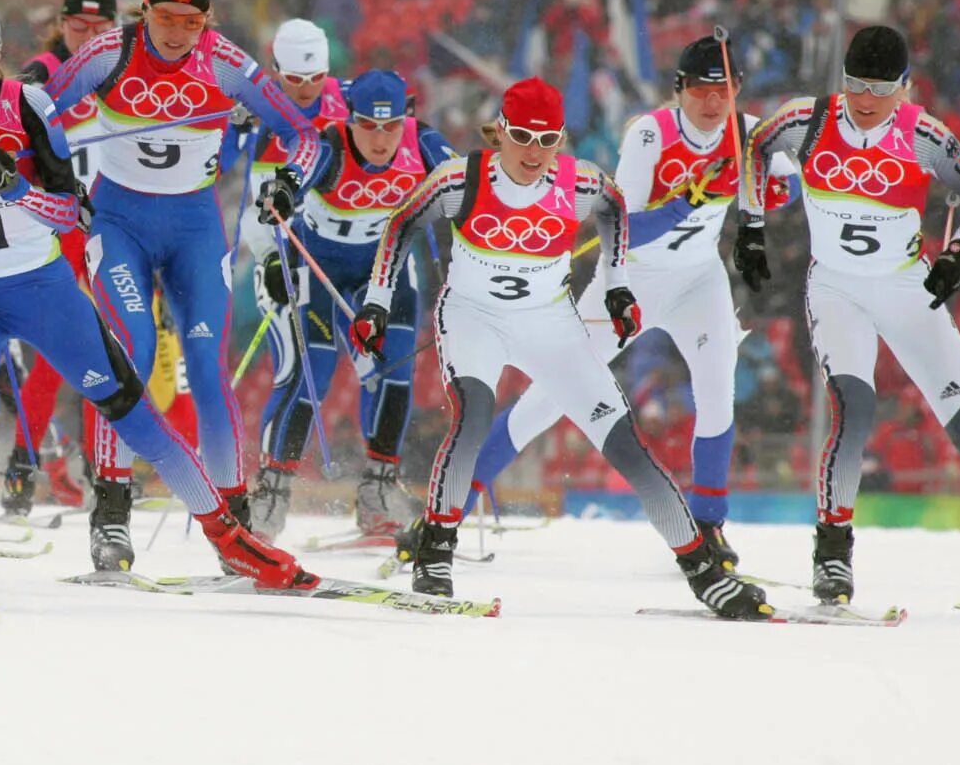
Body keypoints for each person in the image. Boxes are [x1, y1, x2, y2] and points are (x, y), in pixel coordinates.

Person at [0, 0, 315, 602]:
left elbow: (69, 212)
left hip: (44, 289)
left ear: (1, 56)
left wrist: (15, 189)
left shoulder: (30, 107)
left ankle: (230, 538)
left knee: (136, 413)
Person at [351, 77, 768, 618]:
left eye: (547, 139)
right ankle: (435, 548)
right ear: (499, 131)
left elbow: (616, 211)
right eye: (522, 136)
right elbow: (401, 222)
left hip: (549, 323)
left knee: (624, 443)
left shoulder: (581, 183)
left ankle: (704, 571)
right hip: (474, 317)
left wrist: (617, 287)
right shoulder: (461, 178)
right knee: (474, 416)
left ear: (562, 138)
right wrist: (377, 302)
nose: (533, 152)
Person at [736, 24, 960, 603]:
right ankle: (833, 554)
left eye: (881, 88)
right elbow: (754, 147)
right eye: (855, 84)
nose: (866, 100)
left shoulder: (923, 134)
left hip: (908, 289)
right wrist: (750, 227)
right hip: (836, 289)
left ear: (904, 86)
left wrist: (957, 253)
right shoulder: (809, 120)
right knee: (854, 409)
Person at [40, 0, 321, 570]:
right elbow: (33, 114)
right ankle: (111, 512)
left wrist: (288, 185)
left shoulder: (225, 62)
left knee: (208, 373)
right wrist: (57, 181)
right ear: (145, 9)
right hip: (119, 227)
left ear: (208, 20)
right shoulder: (108, 53)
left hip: (195, 230)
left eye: (189, 21)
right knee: (131, 355)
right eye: (165, 16)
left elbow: (304, 135)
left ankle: (233, 520)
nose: (175, 31)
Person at [467, 35, 792, 565]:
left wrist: (770, 189)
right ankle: (450, 507)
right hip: (629, 282)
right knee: (548, 399)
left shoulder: (749, 133)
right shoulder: (650, 134)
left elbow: (790, 185)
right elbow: (626, 228)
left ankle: (708, 527)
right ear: (680, 90)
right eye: (702, 91)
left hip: (697, 281)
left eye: (724, 90)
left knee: (717, 391)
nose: (714, 103)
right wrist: (692, 198)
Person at [241, 34, 454, 542]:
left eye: (390, 127)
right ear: (349, 118)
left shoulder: (423, 143)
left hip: (388, 270)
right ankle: (272, 490)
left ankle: (378, 491)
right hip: (322, 268)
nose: (380, 140)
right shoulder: (329, 143)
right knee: (313, 373)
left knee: (395, 371)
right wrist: (281, 195)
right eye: (368, 126)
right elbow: (294, 175)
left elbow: (467, 189)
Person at [4, 0, 117, 510]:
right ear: (61, 25)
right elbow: (18, 97)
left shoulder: (127, 74)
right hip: (61, 229)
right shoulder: (51, 71)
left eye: (100, 28)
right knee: (53, 359)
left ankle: (103, 470)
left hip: (115, 227)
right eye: (78, 27)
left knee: (113, 350)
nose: (89, 37)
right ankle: (21, 471)